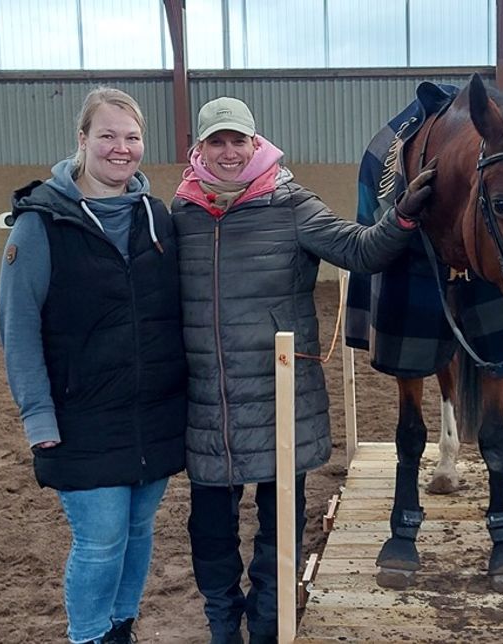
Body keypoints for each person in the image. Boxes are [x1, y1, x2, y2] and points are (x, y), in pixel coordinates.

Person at [172, 97, 435, 644]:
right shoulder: (179, 215)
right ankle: (223, 622)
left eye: (237, 141)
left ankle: (268, 624)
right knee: (210, 533)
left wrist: (402, 215)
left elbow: (359, 250)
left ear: (254, 143)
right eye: (215, 142)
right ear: (199, 149)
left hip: (278, 400)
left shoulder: (291, 205)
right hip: (207, 404)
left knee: (279, 526)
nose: (227, 152)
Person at [0, 88, 187, 644]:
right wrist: (38, 414)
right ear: (82, 140)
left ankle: (119, 629)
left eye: (131, 137)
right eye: (107, 135)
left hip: (153, 413)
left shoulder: (157, 217)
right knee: (100, 540)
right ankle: (88, 635)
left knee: (137, 530)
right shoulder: (40, 223)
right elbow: (17, 326)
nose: (120, 149)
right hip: (80, 416)